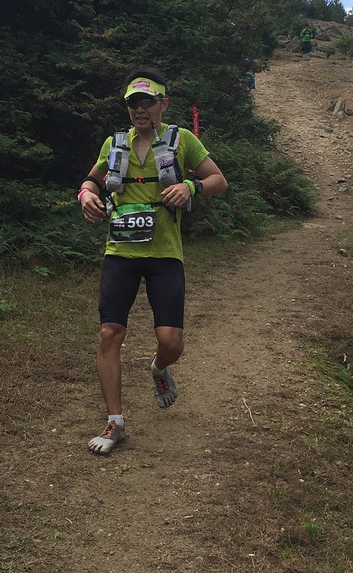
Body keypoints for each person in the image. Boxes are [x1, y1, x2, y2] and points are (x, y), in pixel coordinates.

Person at [78, 67, 228, 455]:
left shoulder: (183, 141)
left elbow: (219, 181)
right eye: (133, 103)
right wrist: (85, 195)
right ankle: (115, 424)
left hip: (164, 253)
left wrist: (190, 184)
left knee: (171, 342)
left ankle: (159, 368)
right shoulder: (114, 144)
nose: (140, 109)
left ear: (164, 103)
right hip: (120, 253)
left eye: (147, 102)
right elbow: (91, 180)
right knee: (109, 334)